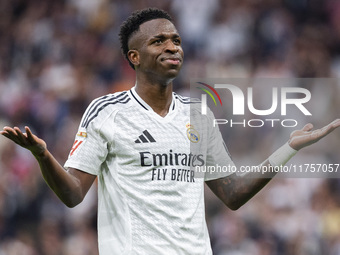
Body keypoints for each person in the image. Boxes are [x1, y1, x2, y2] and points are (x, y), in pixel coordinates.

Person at [1, 8, 339, 255]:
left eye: (176, 40)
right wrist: (43, 155)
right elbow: (74, 195)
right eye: (159, 41)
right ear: (134, 56)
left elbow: (232, 194)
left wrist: (288, 148)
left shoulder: (198, 114)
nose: (172, 47)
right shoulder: (107, 111)